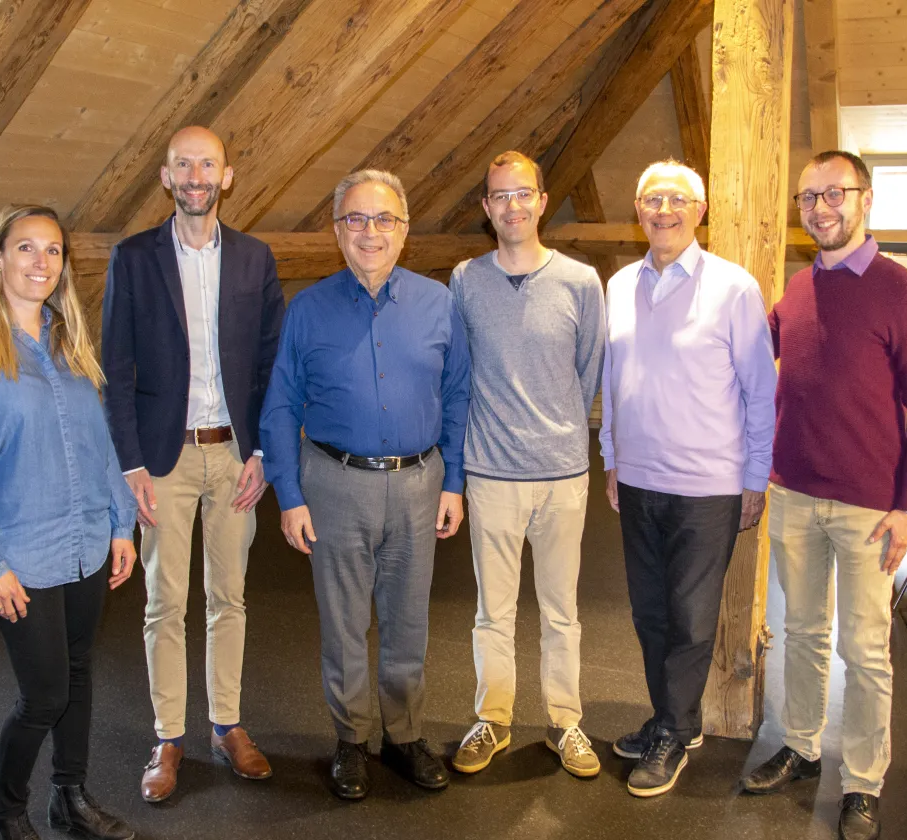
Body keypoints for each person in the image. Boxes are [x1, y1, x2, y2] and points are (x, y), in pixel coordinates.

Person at [739, 150, 907, 840]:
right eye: (808, 198)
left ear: (866, 200)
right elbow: (744, 352)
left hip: (869, 508)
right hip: (793, 494)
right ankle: (799, 745)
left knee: (865, 650)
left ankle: (862, 781)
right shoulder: (797, 290)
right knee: (802, 631)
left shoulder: (902, 292)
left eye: (834, 194)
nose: (820, 208)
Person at [0, 204, 138, 840]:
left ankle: (70, 799)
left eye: (52, 251)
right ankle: (8, 812)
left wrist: (120, 525)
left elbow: (100, 444)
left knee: (77, 676)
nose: (41, 262)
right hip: (19, 554)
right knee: (44, 694)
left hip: (84, 544)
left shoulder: (67, 341)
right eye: (26, 249)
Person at [260, 169, 471, 801]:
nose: (369, 232)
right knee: (344, 622)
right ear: (336, 231)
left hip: (418, 483)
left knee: (408, 622)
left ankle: (403, 736)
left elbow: (458, 396)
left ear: (404, 231)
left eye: (383, 219)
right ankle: (351, 739)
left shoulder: (439, 305)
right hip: (333, 484)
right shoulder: (309, 309)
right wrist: (290, 495)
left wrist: (453, 481)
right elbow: (279, 406)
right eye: (356, 219)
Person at [102, 126, 284, 802]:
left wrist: (263, 449)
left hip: (235, 454)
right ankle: (168, 736)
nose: (197, 175)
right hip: (164, 460)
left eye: (208, 164)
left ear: (227, 176)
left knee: (229, 597)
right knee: (165, 602)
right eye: (184, 164)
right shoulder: (133, 258)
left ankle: (228, 725)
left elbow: (272, 364)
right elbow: (115, 369)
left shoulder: (254, 259)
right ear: (166, 176)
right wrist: (130, 467)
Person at [600, 160, 777, 798]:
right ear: (639, 210)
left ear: (699, 212)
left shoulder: (734, 288)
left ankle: (674, 733)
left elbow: (761, 392)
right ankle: (672, 718)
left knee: (691, 616)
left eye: (677, 200)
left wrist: (755, 475)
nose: (664, 211)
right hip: (640, 480)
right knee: (650, 613)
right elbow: (612, 381)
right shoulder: (618, 285)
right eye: (652, 200)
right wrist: (612, 458)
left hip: (709, 486)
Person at [448, 151, 605, 779]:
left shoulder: (580, 281)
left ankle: (566, 722)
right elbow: (459, 374)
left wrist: (562, 434)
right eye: (499, 197)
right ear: (487, 209)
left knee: (561, 609)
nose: (511, 206)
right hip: (490, 473)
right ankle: (494, 717)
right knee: (494, 610)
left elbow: (588, 370)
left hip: (563, 475)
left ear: (542, 201)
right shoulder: (465, 278)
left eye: (522, 194)